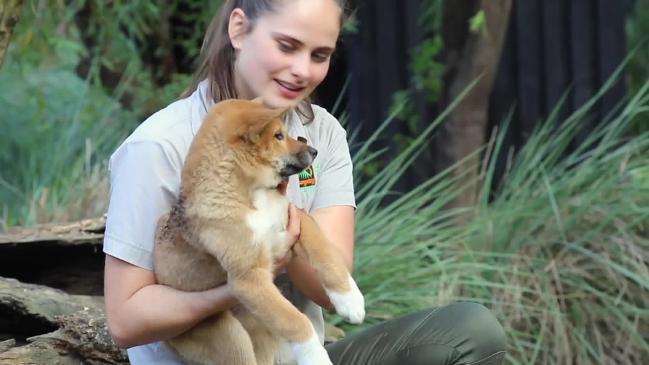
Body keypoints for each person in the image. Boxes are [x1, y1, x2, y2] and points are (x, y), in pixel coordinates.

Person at [102, 0, 507, 364]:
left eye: (320, 55)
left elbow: (331, 293)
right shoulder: (158, 145)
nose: (302, 70)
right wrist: (239, 287)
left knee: (469, 330)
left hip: (300, 356)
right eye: (287, 45)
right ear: (239, 29)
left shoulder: (321, 133)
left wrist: (286, 234)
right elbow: (125, 320)